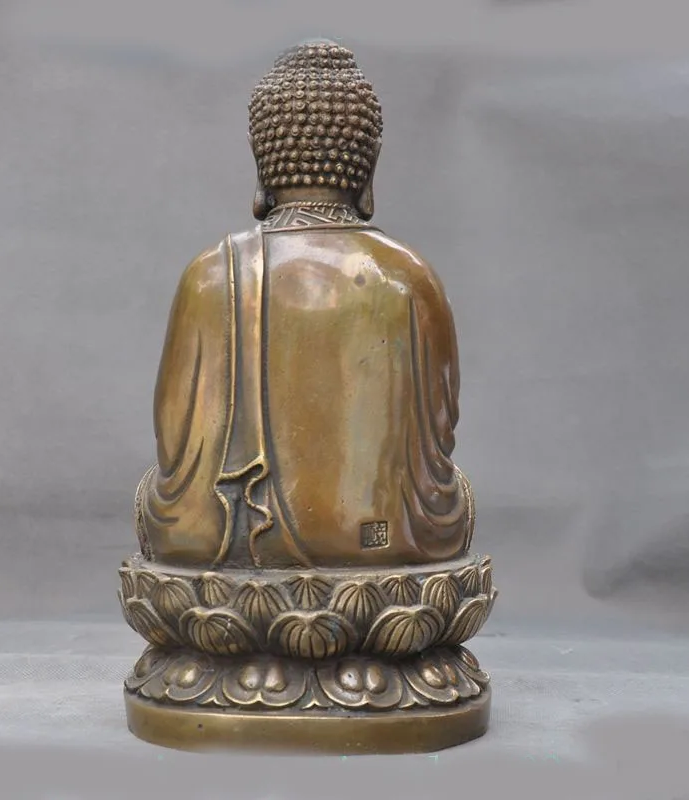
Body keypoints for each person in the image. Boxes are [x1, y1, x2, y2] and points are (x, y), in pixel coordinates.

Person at [135, 40, 474, 570]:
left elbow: (173, 443)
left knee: (151, 504)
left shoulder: (211, 274)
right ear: (369, 165)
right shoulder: (408, 275)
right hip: (386, 553)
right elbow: (440, 435)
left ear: (261, 163)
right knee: (457, 498)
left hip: (224, 552)